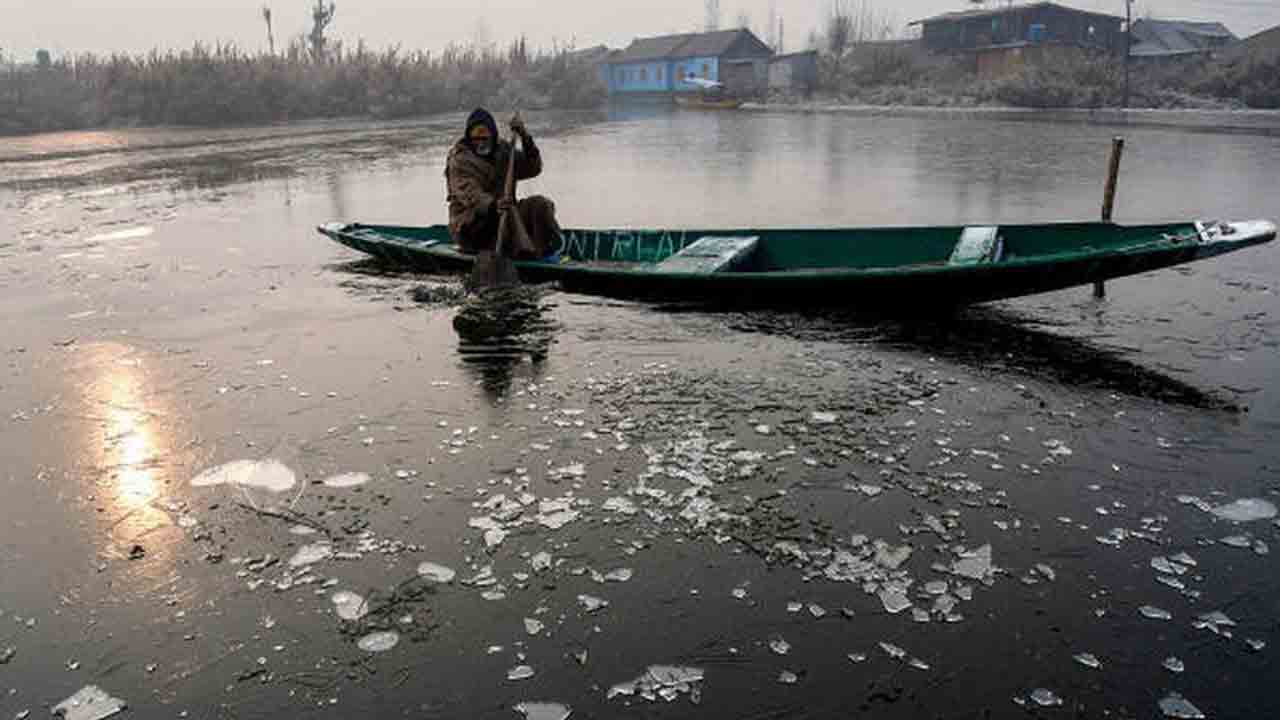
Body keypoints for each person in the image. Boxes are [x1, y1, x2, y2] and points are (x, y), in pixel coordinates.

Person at [445, 108, 561, 258]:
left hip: (507, 217)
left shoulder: (504, 151)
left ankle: (540, 251)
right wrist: (494, 205)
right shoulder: (460, 161)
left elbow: (533, 168)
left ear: (493, 136)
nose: (480, 143)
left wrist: (525, 137)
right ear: (469, 138)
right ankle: (521, 251)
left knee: (541, 205)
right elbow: (471, 195)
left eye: (485, 138)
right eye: (476, 139)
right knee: (505, 213)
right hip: (472, 227)